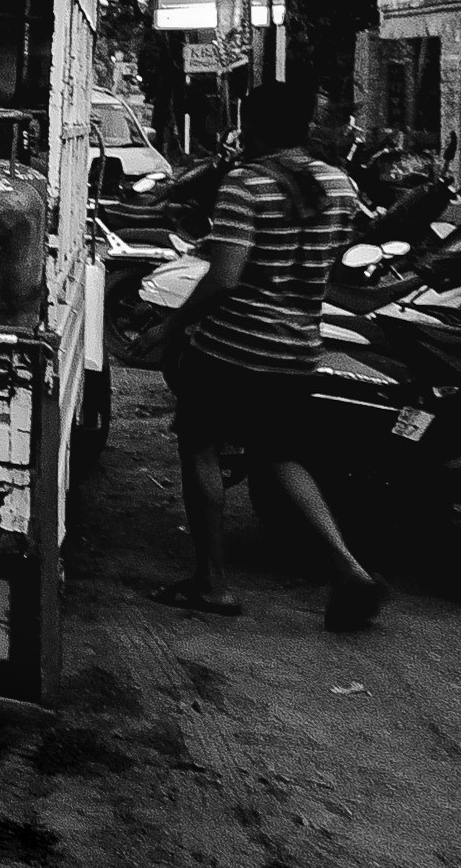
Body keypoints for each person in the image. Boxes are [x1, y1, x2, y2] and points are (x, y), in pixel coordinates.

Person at [137, 84, 385, 630]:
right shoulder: (339, 184)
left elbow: (225, 278)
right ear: (306, 125)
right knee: (281, 456)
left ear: (251, 125)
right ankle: (349, 568)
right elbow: (333, 269)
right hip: (297, 348)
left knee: (199, 447)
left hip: (231, 347)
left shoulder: (244, 184)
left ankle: (212, 584)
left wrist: (170, 325)